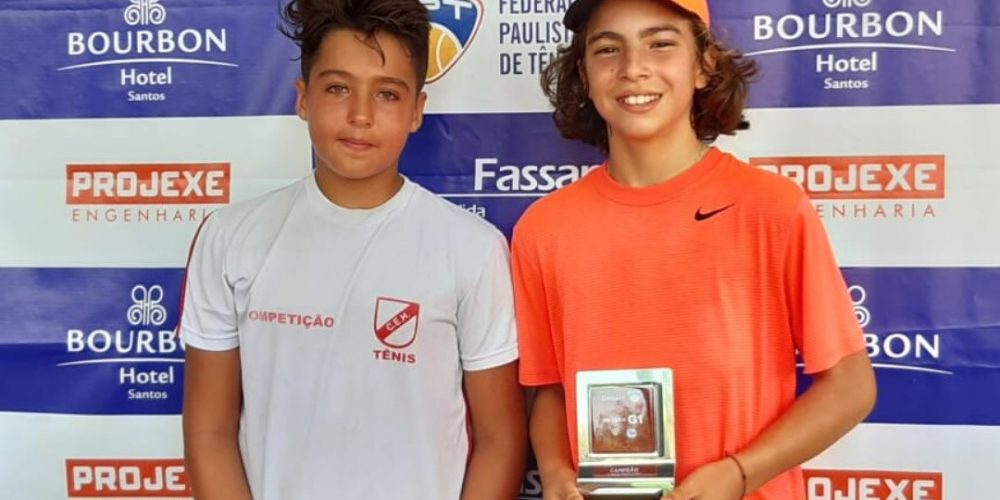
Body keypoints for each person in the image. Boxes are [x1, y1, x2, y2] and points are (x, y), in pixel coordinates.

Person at [512, 0, 877, 499]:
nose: (633, 68)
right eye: (608, 49)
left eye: (660, 44)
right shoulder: (543, 229)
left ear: (703, 65)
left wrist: (740, 472)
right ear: (584, 74)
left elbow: (851, 386)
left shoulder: (771, 207)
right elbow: (549, 388)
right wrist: (555, 469)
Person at [179, 1, 526, 498]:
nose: (360, 115)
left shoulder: (472, 248)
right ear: (303, 98)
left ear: (416, 111)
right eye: (338, 88)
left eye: (387, 94)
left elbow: (499, 438)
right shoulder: (230, 237)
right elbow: (210, 431)